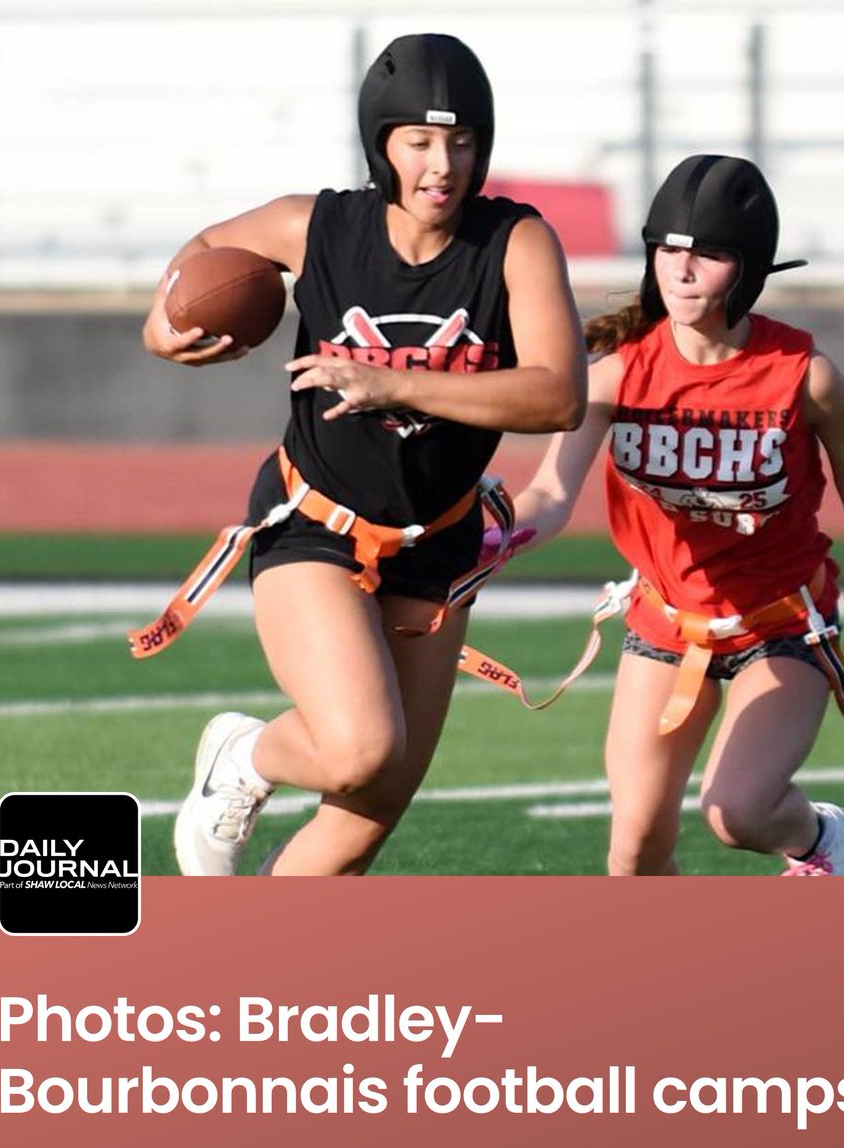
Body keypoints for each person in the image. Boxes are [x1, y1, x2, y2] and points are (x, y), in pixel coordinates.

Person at [140, 33, 586, 875]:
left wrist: (394, 384)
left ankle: (255, 968)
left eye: (460, 142)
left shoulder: (515, 241)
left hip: (441, 542)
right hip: (314, 524)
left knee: (367, 816)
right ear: (381, 142)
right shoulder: (316, 224)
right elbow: (195, 262)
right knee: (360, 748)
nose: (441, 164)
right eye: (418, 141)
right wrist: (163, 329)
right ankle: (245, 759)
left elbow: (556, 394)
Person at [507, 154, 844, 876]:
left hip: (781, 624)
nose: (682, 268)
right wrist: (483, 540)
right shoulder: (614, 372)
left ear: (751, 268)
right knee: (635, 850)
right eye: (669, 248)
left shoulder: (805, 374)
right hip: (666, 621)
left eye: (708, 252)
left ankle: (817, 837)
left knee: (735, 812)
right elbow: (548, 496)